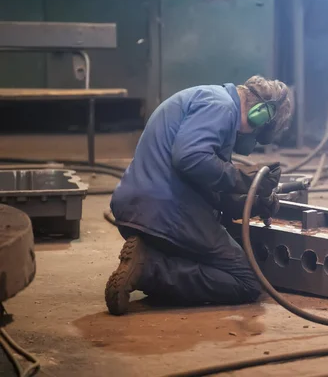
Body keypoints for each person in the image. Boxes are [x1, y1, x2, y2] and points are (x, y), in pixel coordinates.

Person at [105, 76, 293, 315]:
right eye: (259, 134)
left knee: (207, 262)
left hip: (138, 208)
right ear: (260, 114)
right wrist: (244, 178)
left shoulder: (209, 99)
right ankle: (149, 268)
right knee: (246, 281)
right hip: (168, 213)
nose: (252, 142)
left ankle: (151, 258)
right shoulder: (221, 106)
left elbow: (207, 183)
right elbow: (190, 159)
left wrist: (253, 200)